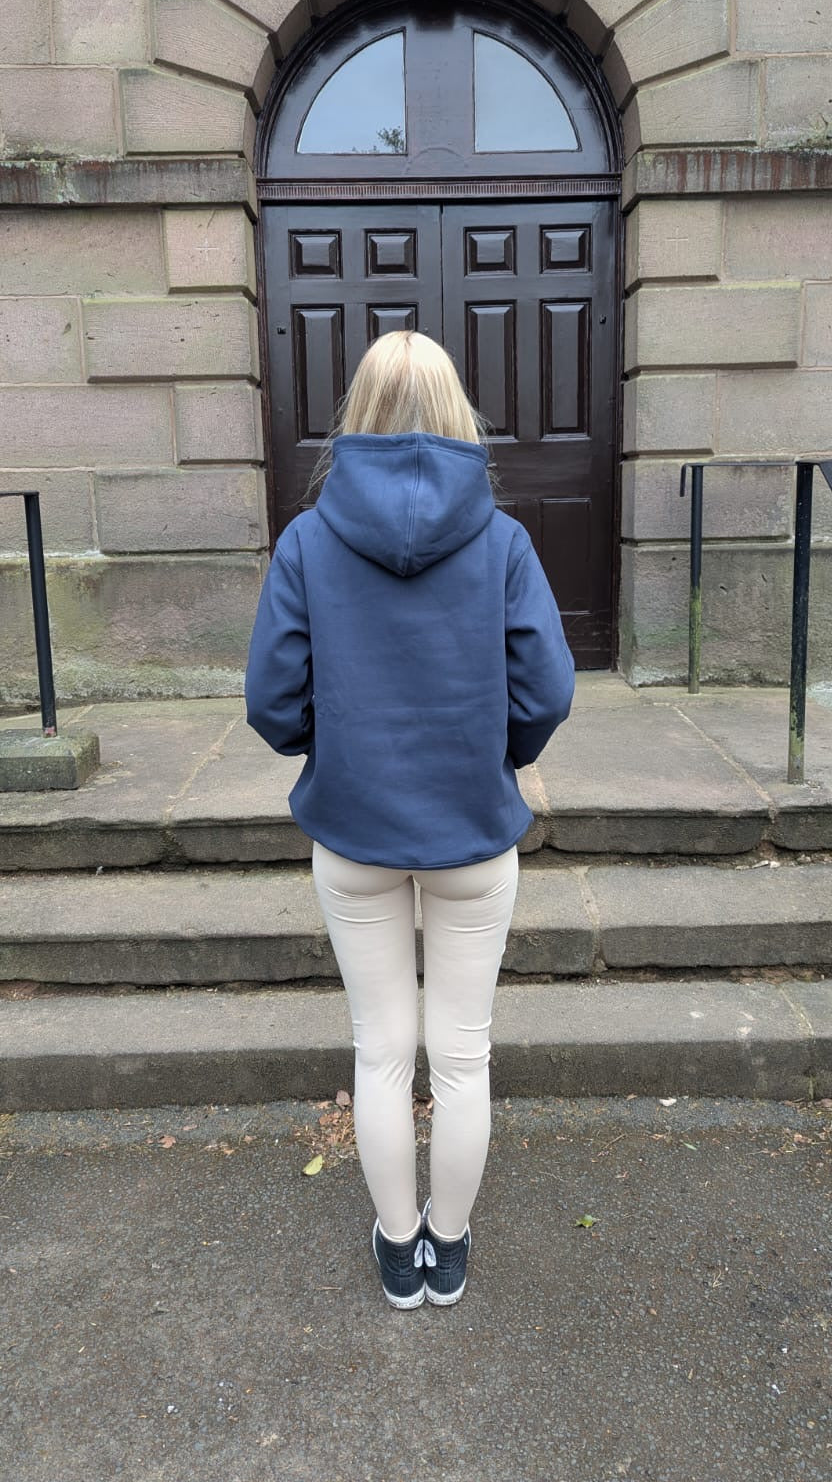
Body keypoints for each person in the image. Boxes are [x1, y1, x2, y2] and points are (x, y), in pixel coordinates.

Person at [244, 330, 575, 1308]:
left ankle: (399, 1250)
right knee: (462, 1050)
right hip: (473, 830)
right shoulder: (502, 541)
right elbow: (546, 689)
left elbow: (270, 699)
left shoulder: (307, 540)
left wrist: (332, 746)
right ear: (454, 413)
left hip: (353, 831)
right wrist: (498, 756)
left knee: (382, 1048)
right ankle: (450, 1245)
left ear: (359, 415)